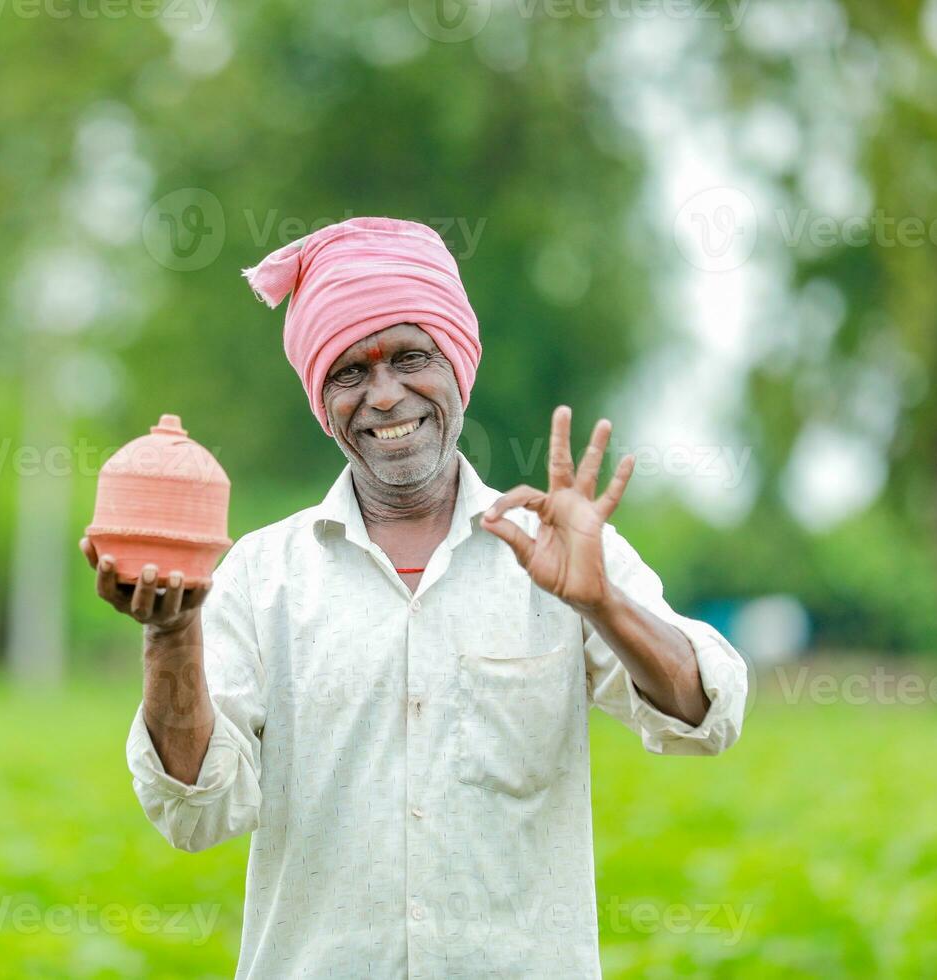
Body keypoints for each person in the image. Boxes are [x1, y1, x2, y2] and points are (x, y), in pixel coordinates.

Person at [78, 216, 748, 977]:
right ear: (320, 400)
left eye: (410, 358)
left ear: (458, 369)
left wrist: (603, 604)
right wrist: (170, 637)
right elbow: (197, 812)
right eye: (349, 372)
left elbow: (708, 716)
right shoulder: (262, 576)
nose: (386, 396)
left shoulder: (559, 553)